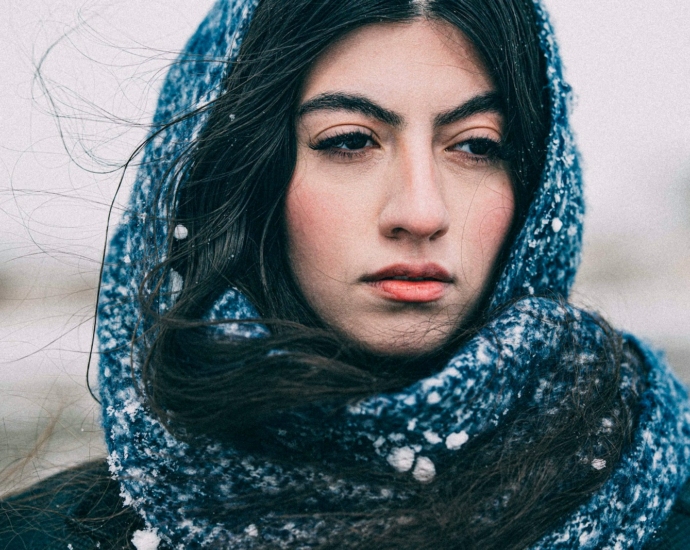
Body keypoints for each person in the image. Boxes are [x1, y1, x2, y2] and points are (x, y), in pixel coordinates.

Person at [2, 0, 689, 548]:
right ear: (243, 175)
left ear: (540, 189)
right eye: (350, 141)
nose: (419, 211)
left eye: (475, 146)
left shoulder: (666, 500)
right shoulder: (42, 537)